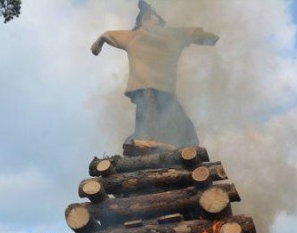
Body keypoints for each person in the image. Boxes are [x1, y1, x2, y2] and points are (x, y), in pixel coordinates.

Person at [90, 0, 219, 148]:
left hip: (165, 92)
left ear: (160, 19)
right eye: (144, 16)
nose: (148, 18)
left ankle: (176, 152)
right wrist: (98, 44)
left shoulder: (173, 35)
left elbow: (193, 33)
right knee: (147, 130)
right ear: (140, 21)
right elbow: (108, 35)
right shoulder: (134, 36)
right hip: (145, 90)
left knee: (187, 133)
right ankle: (141, 146)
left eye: (151, 15)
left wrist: (209, 38)